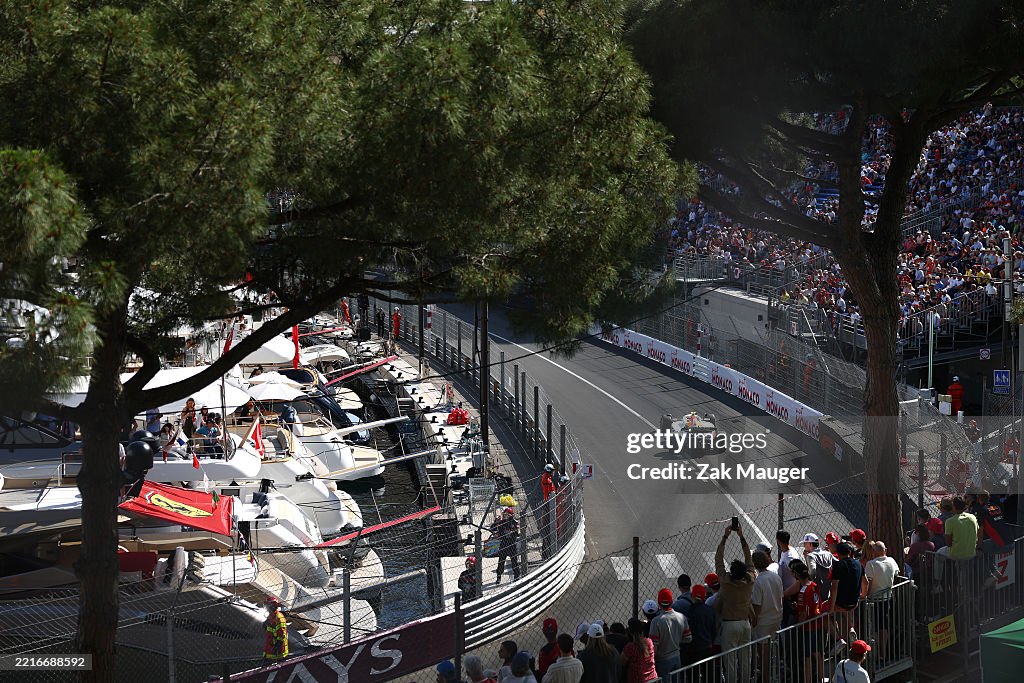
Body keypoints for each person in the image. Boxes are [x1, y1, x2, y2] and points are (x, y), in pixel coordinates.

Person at [715, 523, 755, 683]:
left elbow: (718, 560)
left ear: (731, 572)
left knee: (730, 661)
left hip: (729, 624)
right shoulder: (750, 580)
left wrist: (725, 537)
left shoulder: (726, 582)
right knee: (746, 659)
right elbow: (749, 560)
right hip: (745, 623)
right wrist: (741, 537)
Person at [751, 550, 784, 683]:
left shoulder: (759, 581)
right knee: (770, 649)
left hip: (763, 621)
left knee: (763, 653)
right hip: (776, 617)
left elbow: (757, 605)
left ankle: (765, 677)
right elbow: (781, 596)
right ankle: (770, 674)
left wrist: (753, 621)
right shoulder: (775, 577)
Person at [863, 541, 899, 661]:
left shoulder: (871, 564)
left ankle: (879, 654)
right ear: (885, 550)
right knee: (883, 628)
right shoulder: (892, 561)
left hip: (874, 600)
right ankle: (883, 653)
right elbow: (896, 574)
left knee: (875, 629)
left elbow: (868, 583)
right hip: (888, 598)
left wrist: (865, 596)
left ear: (873, 552)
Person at [649, 587, 691, 681]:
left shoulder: (656, 621)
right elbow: (688, 638)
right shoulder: (681, 617)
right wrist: (676, 639)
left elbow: (654, 646)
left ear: (659, 603)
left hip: (662, 660)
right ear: (671, 602)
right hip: (677, 656)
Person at [793, 562, 825, 683]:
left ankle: (808, 680)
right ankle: (821, 678)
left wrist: (797, 626)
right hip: (817, 623)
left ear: (796, 575)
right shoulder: (814, 585)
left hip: (807, 627)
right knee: (817, 653)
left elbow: (803, 614)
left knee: (807, 656)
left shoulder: (802, 592)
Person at [829, 543, 864, 655]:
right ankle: (851, 628)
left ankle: (840, 642)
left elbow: (834, 587)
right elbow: (866, 582)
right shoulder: (858, 564)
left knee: (828, 616)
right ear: (850, 552)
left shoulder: (838, 565)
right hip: (854, 602)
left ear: (838, 554)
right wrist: (863, 595)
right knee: (848, 612)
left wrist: (832, 607)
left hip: (841, 603)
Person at [685, 584, 716, 665]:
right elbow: (714, 629)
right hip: (708, 646)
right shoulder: (710, 610)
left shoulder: (690, 611)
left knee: (695, 671)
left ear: (692, 596)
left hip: (695, 649)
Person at [620, 618, 658, 683]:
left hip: (637, 679)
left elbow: (622, 662)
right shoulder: (649, 641)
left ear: (630, 632)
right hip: (652, 678)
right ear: (642, 631)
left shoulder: (630, 647)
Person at [803, 533, 834, 602]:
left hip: (816, 589)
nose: (804, 546)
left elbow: (812, 572)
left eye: (805, 543)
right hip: (828, 588)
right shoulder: (827, 553)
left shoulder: (810, 556)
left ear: (810, 544)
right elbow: (838, 563)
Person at [492, 507, 520, 582]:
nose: (505, 516)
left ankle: (516, 576)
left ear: (511, 515)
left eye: (507, 515)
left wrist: (513, 531)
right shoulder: (501, 523)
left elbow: (517, 534)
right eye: (504, 515)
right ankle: (498, 577)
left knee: (514, 562)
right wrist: (497, 524)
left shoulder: (515, 522)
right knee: (501, 562)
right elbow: (498, 532)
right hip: (504, 544)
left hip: (512, 544)